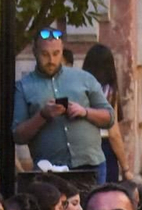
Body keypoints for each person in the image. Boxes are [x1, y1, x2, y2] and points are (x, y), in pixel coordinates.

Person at [12, 31, 113, 176]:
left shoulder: (84, 78)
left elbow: (109, 117)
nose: (51, 60)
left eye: (56, 53)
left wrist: (84, 112)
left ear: (62, 50)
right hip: (49, 169)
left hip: (90, 165)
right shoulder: (24, 86)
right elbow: (18, 135)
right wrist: (43, 115)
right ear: (35, 52)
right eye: (45, 54)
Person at [80, 44, 130, 182]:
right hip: (104, 148)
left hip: (82, 146)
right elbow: (113, 134)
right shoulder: (108, 91)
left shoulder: (79, 89)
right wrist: (126, 168)